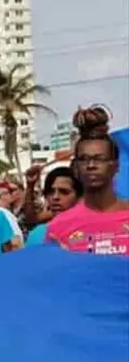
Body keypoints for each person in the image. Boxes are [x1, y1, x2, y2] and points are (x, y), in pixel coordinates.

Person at [45, 106, 129, 255]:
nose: (91, 166)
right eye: (84, 159)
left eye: (99, 159)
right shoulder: (58, 227)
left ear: (115, 166)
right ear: (76, 167)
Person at [26, 167, 82, 246]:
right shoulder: (36, 234)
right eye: (50, 192)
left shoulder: (90, 232)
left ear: (79, 197)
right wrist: (30, 186)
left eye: (64, 192)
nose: (55, 197)